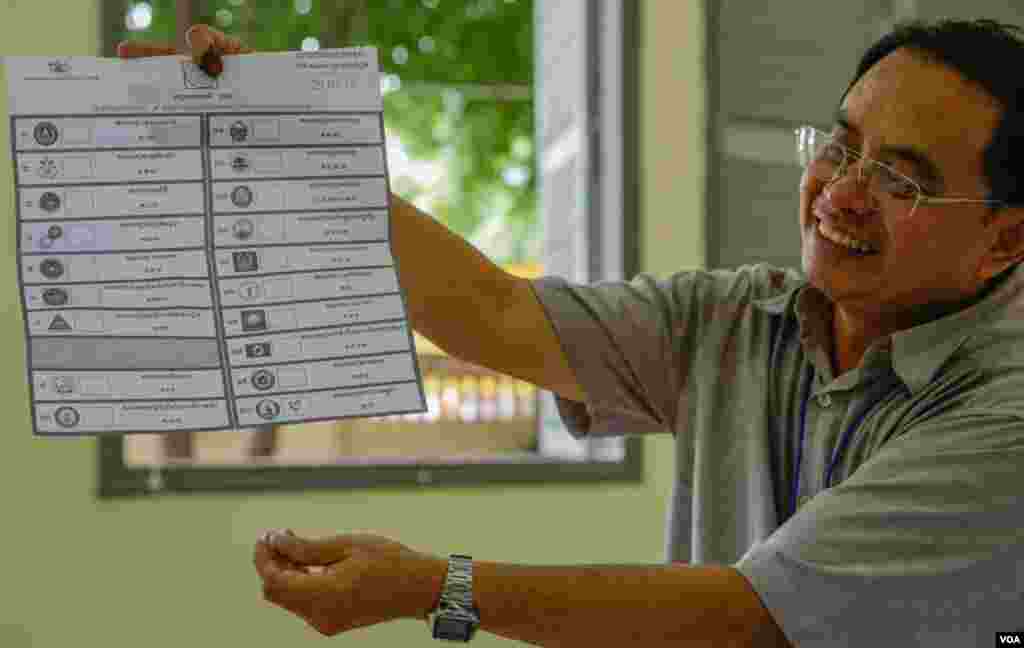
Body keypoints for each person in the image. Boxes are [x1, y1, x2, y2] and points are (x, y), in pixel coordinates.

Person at [121, 18, 1024, 646]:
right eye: (839, 145)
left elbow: (748, 620)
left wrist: (436, 588)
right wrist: (282, 157)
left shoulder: (1005, 417)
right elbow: (497, 312)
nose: (839, 194)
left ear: (1005, 239)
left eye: (900, 181)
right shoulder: (742, 319)